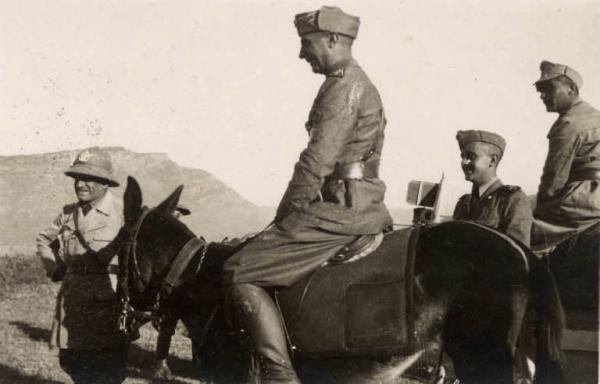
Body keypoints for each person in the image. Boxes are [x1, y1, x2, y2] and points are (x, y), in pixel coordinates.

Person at [222, 6, 393, 383]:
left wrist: (288, 214)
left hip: (343, 209)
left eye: (307, 43)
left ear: (333, 39)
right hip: (358, 202)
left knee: (238, 270)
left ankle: (279, 374)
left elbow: (316, 160)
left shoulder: (344, 85)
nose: (302, 54)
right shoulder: (353, 82)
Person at [36, 147, 129, 384]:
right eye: (77, 178)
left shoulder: (122, 213)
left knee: (107, 368)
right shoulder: (68, 213)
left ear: (105, 183)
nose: (80, 184)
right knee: (71, 361)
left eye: (89, 178)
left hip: (106, 301)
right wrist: (54, 267)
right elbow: (44, 240)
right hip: (73, 298)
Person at [531, 60, 600, 252]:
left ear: (571, 88)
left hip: (584, 199)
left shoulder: (568, 123)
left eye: (549, 89)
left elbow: (553, 180)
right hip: (594, 197)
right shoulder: (595, 115)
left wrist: (540, 210)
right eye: (540, 90)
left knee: (521, 231)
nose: (543, 96)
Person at [453, 130, 532, 246]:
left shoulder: (512, 200)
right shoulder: (463, 203)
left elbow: (517, 257)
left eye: (471, 156)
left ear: (493, 160)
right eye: (463, 157)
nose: (464, 162)